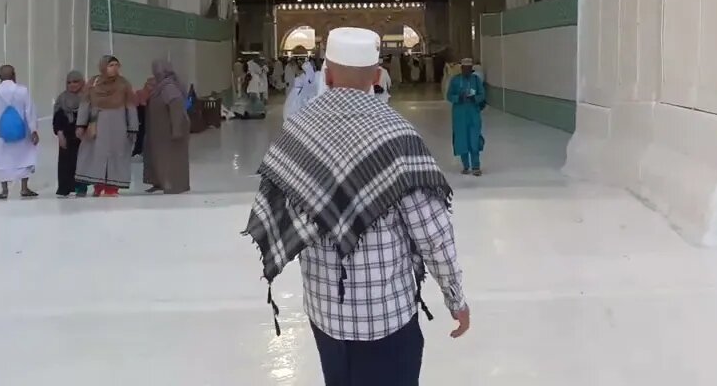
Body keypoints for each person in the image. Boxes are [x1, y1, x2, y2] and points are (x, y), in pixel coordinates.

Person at [243, 27, 470, 386]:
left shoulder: (298, 131)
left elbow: (280, 212)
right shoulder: (398, 137)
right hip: (388, 317)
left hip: (325, 316)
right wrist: (455, 297)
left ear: (327, 74)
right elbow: (433, 235)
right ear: (376, 76)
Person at [75, 56, 138, 197]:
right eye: (111, 65)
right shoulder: (93, 83)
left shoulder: (123, 84)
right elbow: (85, 104)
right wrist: (81, 124)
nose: (114, 68)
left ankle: (112, 187)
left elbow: (130, 106)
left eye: (116, 65)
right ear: (103, 67)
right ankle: (98, 185)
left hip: (118, 125)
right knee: (97, 155)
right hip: (98, 125)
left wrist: (132, 126)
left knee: (117, 155)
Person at [0, 65, 40, 200]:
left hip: (3, 133)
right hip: (22, 132)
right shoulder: (23, 91)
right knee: (25, 157)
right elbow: (30, 112)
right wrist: (34, 130)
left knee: (2, 159)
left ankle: (4, 190)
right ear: (14, 75)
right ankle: (24, 188)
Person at [144, 59, 192, 195]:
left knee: (172, 159)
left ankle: (175, 185)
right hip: (162, 130)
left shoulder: (168, 87)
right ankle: (162, 182)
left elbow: (176, 106)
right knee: (162, 158)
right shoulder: (161, 86)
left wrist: (176, 129)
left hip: (170, 130)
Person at [446, 58, 487, 177]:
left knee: (474, 139)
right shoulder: (455, 80)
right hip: (459, 115)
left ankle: (476, 166)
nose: (467, 71)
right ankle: (465, 166)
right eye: (465, 69)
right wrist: (459, 98)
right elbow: (448, 95)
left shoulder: (476, 80)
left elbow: (482, 94)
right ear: (461, 69)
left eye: (469, 69)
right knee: (462, 140)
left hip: (473, 113)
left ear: (471, 69)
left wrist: (474, 98)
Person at [52, 70, 89, 198]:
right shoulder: (62, 98)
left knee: (82, 162)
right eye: (69, 82)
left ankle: (80, 187)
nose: (72, 85)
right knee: (65, 162)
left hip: (83, 134)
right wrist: (60, 134)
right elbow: (57, 118)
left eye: (75, 81)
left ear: (82, 82)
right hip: (66, 135)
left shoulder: (87, 97)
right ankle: (64, 188)